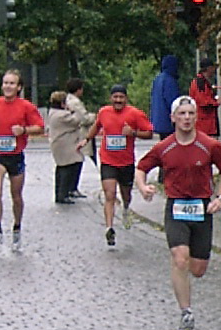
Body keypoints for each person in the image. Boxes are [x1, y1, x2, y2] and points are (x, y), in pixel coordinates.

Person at [134, 95, 221, 330]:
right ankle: (186, 312)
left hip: (202, 208)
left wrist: (220, 197)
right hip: (176, 208)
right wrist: (143, 187)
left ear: (196, 117)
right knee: (180, 257)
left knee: (198, 269)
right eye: (182, 114)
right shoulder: (165, 147)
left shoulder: (209, 145)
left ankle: (184, 270)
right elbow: (141, 168)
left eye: (191, 113)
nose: (186, 118)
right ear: (173, 118)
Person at [0, 69, 46, 252]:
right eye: (5, 83)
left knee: (16, 196)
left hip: (16, 156)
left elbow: (40, 127)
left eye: (11, 83)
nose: (7, 86)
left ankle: (17, 228)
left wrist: (24, 130)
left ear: (18, 87)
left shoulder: (26, 107)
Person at [86, 84, 154, 248]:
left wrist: (133, 133)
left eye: (121, 97)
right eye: (115, 97)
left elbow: (149, 133)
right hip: (108, 160)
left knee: (126, 194)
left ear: (126, 99)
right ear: (111, 98)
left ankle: (126, 209)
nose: (118, 100)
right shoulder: (104, 112)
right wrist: (86, 139)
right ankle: (109, 228)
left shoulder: (135, 114)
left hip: (126, 162)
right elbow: (96, 126)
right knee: (109, 195)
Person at [46, 89, 91, 205]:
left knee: (61, 167)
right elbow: (78, 120)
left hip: (59, 144)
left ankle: (60, 193)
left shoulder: (52, 113)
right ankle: (64, 194)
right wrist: (73, 110)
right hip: (66, 145)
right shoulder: (62, 115)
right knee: (68, 168)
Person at [63, 78, 92, 199]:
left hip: (71, 133)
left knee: (74, 160)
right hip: (79, 133)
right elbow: (84, 119)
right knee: (77, 160)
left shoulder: (67, 99)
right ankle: (72, 188)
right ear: (78, 90)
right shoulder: (75, 102)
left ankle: (70, 188)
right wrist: (95, 117)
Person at [189, 59, 221, 138]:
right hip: (204, 125)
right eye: (213, 68)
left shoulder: (203, 82)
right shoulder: (200, 83)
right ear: (208, 68)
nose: (214, 70)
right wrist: (217, 102)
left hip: (207, 124)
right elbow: (203, 102)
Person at [150, 54, 181, 139]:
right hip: (168, 121)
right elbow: (172, 102)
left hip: (158, 119)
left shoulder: (157, 79)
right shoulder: (170, 80)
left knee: (164, 143)